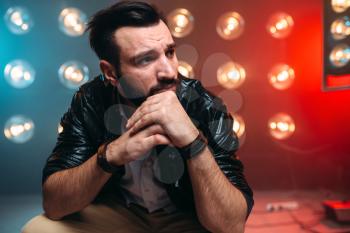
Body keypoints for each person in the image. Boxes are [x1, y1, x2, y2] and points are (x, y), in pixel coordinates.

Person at [22, 1, 253, 233]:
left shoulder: (204, 105)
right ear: (111, 73)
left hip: (187, 217)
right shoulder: (91, 100)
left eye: (170, 52)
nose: (169, 72)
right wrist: (111, 154)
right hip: (122, 214)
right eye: (145, 59)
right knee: (37, 229)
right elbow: (53, 205)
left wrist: (193, 141)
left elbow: (231, 225)